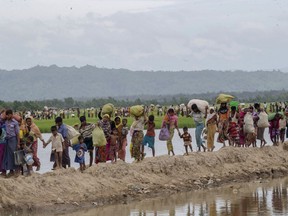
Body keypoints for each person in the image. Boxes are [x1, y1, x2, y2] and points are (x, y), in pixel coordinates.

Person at [1, 109, 20, 177]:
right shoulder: (5, 122)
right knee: (7, 156)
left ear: (11, 115)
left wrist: (18, 143)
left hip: (13, 140)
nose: (7, 116)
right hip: (7, 140)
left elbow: (17, 134)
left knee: (13, 154)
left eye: (8, 115)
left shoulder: (15, 122)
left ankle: (16, 170)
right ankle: (10, 171)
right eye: (6, 115)